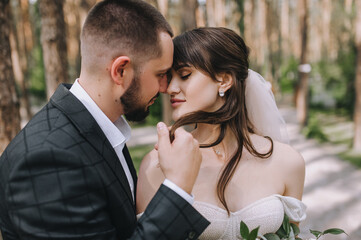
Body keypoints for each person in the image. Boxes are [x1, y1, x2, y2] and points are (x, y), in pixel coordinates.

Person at [0, 1, 209, 239]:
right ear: (120, 70)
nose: (165, 87)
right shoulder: (47, 159)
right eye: (160, 74)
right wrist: (178, 187)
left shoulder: (96, 130)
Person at [136, 27, 306, 239]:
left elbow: (291, 234)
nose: (171, 88)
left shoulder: (288, 161)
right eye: (170, 77)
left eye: (184, 75)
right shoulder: (156, 164)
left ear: (224, 80)